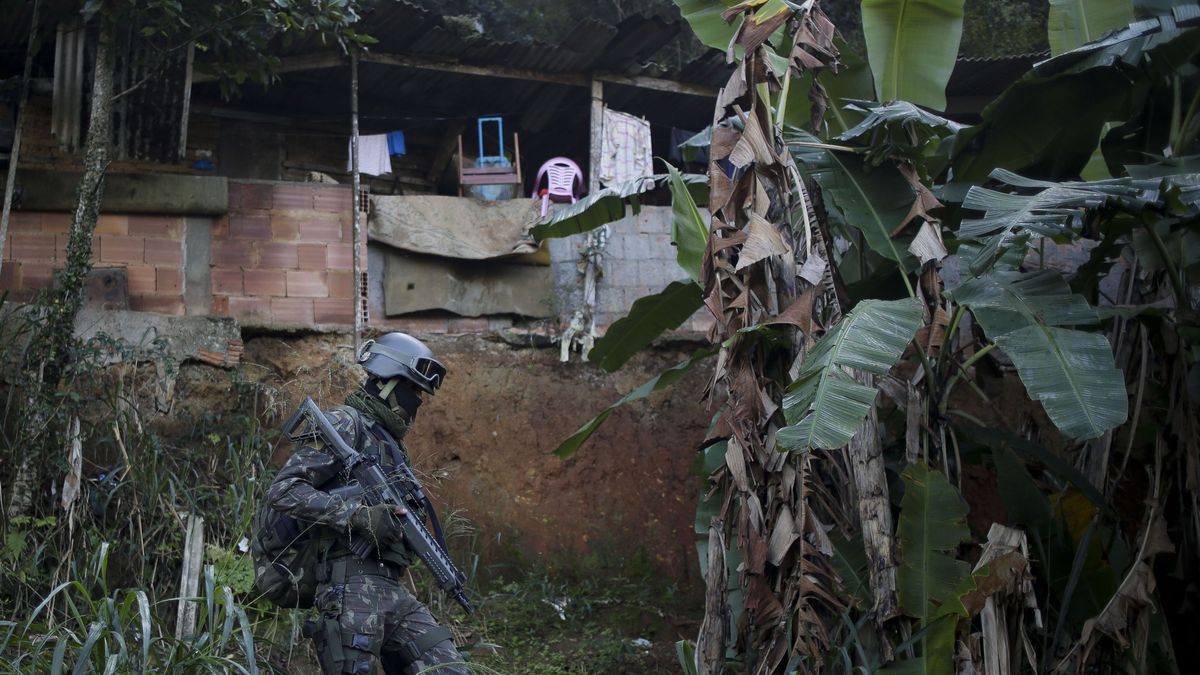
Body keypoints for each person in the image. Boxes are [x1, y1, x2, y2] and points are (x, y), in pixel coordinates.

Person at [266, 332, 469, 675]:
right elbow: (284, 490)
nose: (417, 401)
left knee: (451, 668)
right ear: (390, 384)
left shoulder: (388, 444)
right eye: (414, 391)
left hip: (394, 591)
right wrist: (358, 515)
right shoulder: (346, 423)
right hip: (350, 590)